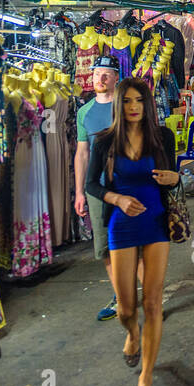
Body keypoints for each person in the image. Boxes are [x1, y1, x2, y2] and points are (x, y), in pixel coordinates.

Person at [84, 78, 180, 386]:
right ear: (119, 105)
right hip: (122, 224)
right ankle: (132, 333)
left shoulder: (162, 136)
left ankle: (146, 377)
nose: (134, 106)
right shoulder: (105, 141)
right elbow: (91, 186)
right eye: (127, 101)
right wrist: (118, 199)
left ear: (148, 104)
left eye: (140, 100)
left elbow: (174, 175)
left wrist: (175, 177)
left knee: (152, 303)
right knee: (126, 308)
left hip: (156, 223)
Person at [74, 55, 125, 321]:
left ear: (116, 77)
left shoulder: (127, 107)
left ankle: (143, 295)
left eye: (106, 74)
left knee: (132, 242)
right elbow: (82, 154)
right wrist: (80, 191)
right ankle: (120, 298)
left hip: (127, 185)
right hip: (97, 189)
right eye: (96, 74)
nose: (100, 79)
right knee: (104, 246)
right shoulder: (85, 112)